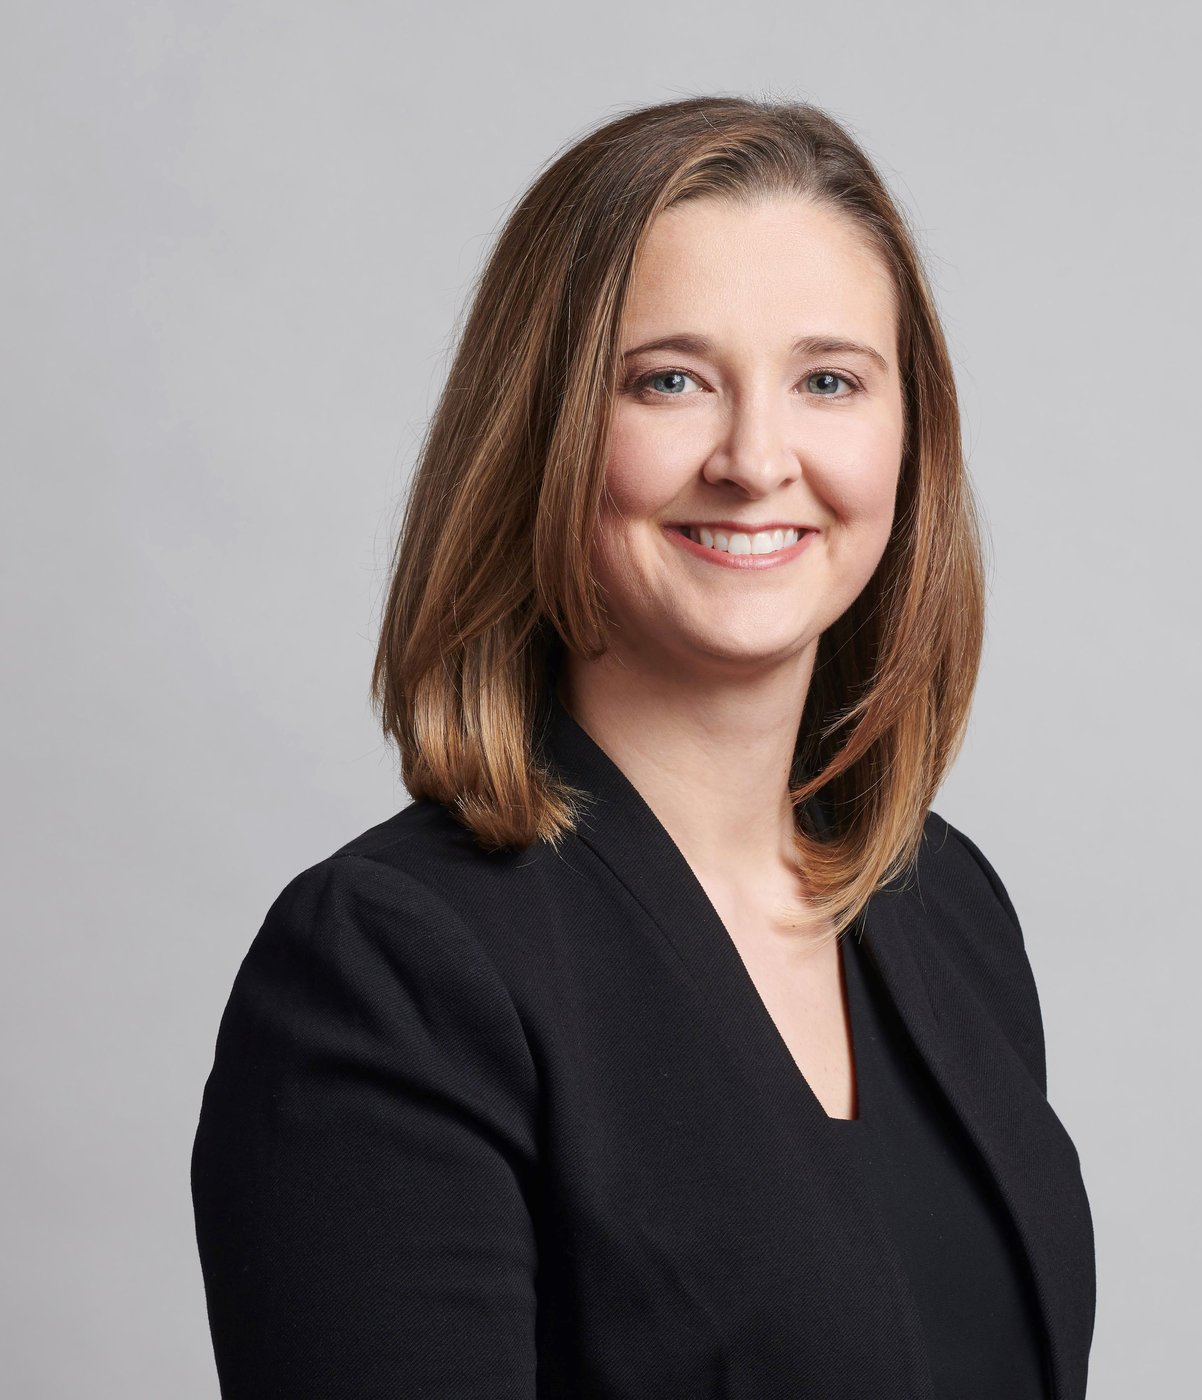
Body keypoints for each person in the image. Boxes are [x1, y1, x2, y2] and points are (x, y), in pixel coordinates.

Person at [190, 95, 1096, 1398]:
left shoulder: (943, 905)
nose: (755, 458)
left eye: (828, 380)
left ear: (911, 439)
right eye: (670, 379)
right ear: (543, 432)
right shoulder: (392, 968)